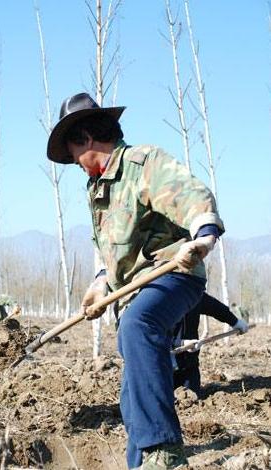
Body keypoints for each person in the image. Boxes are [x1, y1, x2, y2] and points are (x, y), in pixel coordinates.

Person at [47, 92, 225, 470]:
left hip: (174, 273)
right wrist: (100, 283)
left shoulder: (142, 163)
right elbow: (115, 255)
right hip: (132, 291)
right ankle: (141, 460)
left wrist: (203, 232)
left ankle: (164, 449)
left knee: (138, 324)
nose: (75, 164)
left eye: (73, 153)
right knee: (133, 388)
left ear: (86, 139)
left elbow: (189, 194)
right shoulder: (97, 191)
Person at [172, 293, 249, 397]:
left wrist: (235, 322)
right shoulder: (157, 295)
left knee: (192, 398)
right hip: (161, 365)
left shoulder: (193, 292)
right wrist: (179, 343)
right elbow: (148, 333)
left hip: (189, 364)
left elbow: (215, 307)